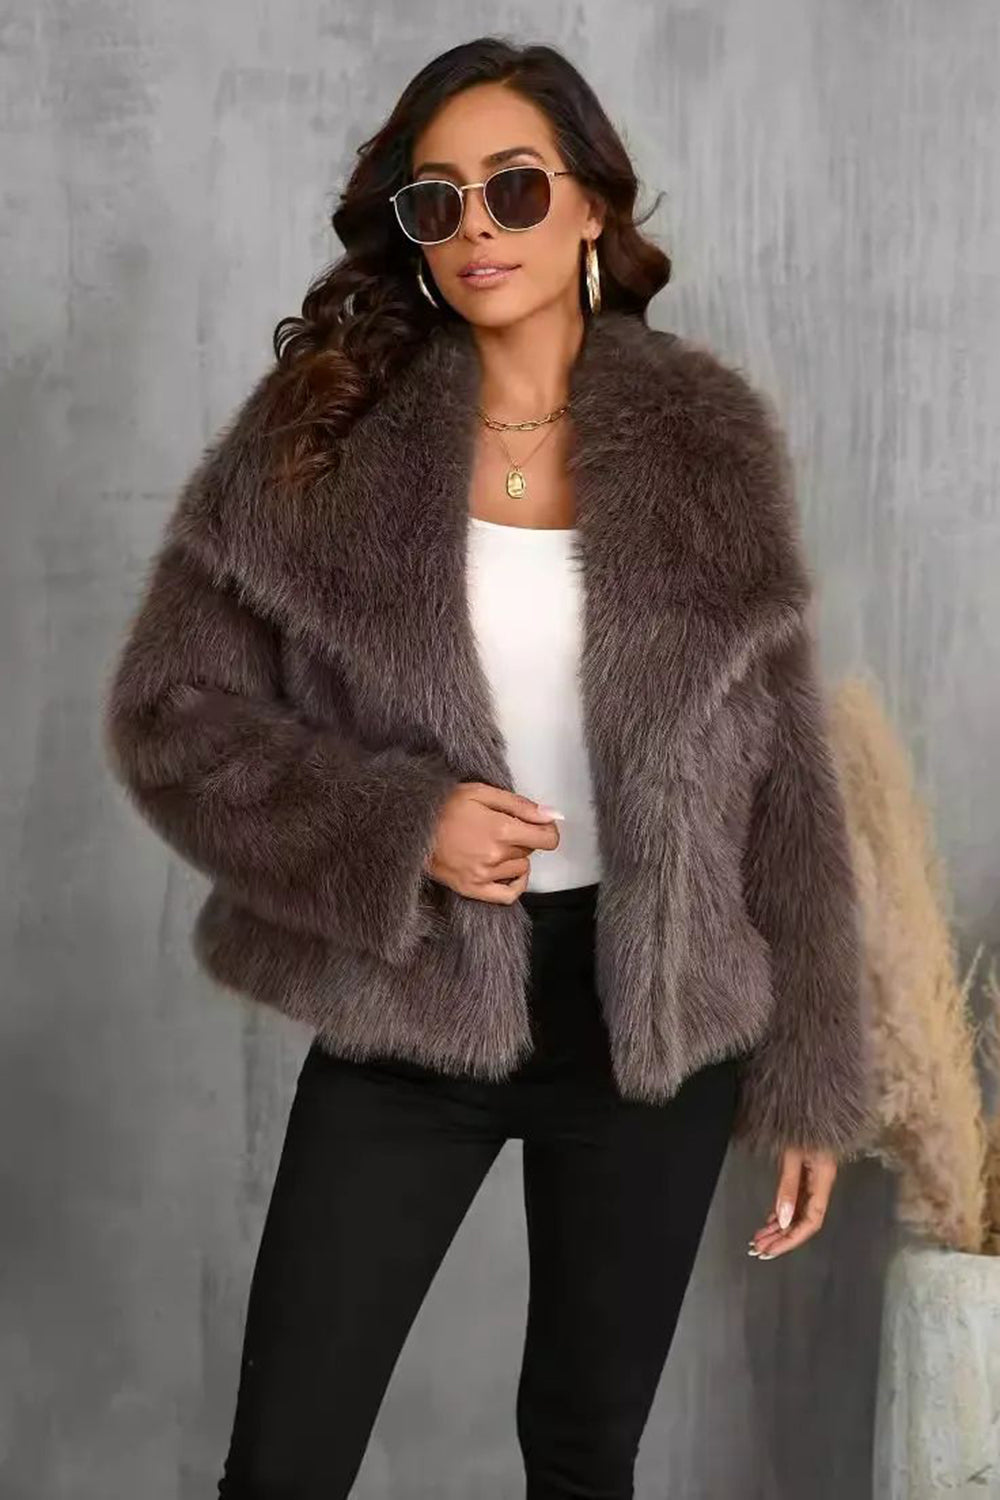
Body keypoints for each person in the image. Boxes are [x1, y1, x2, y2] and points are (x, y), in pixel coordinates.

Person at [103, 36, 874, 1500]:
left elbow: (786, 775)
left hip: (653, 1018)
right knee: (284, 1466)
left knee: (584, 1457)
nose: (476, 229)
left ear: (591, 205)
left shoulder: (708, 442)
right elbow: (171, 717)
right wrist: (402, 827)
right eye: (436, 201)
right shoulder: (322, 439)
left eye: (514, 188)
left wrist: (813, 1078)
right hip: (411, 1002)